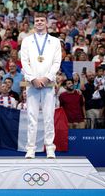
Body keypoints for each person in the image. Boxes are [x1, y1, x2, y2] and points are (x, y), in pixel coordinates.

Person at [20, 12, 62, 159]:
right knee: (31, 117)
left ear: (46, 23)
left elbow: (57, 62)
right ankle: (31, 148)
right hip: (32, 84)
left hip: (48, 83)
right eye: (36, 20)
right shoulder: (27, 41)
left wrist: (47, 78)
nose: (39, 22)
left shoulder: (55, 41)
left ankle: (50, 148)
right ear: (34, 23)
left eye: (41, 20)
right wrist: (32, 79)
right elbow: (24, 62)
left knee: (49, 117)